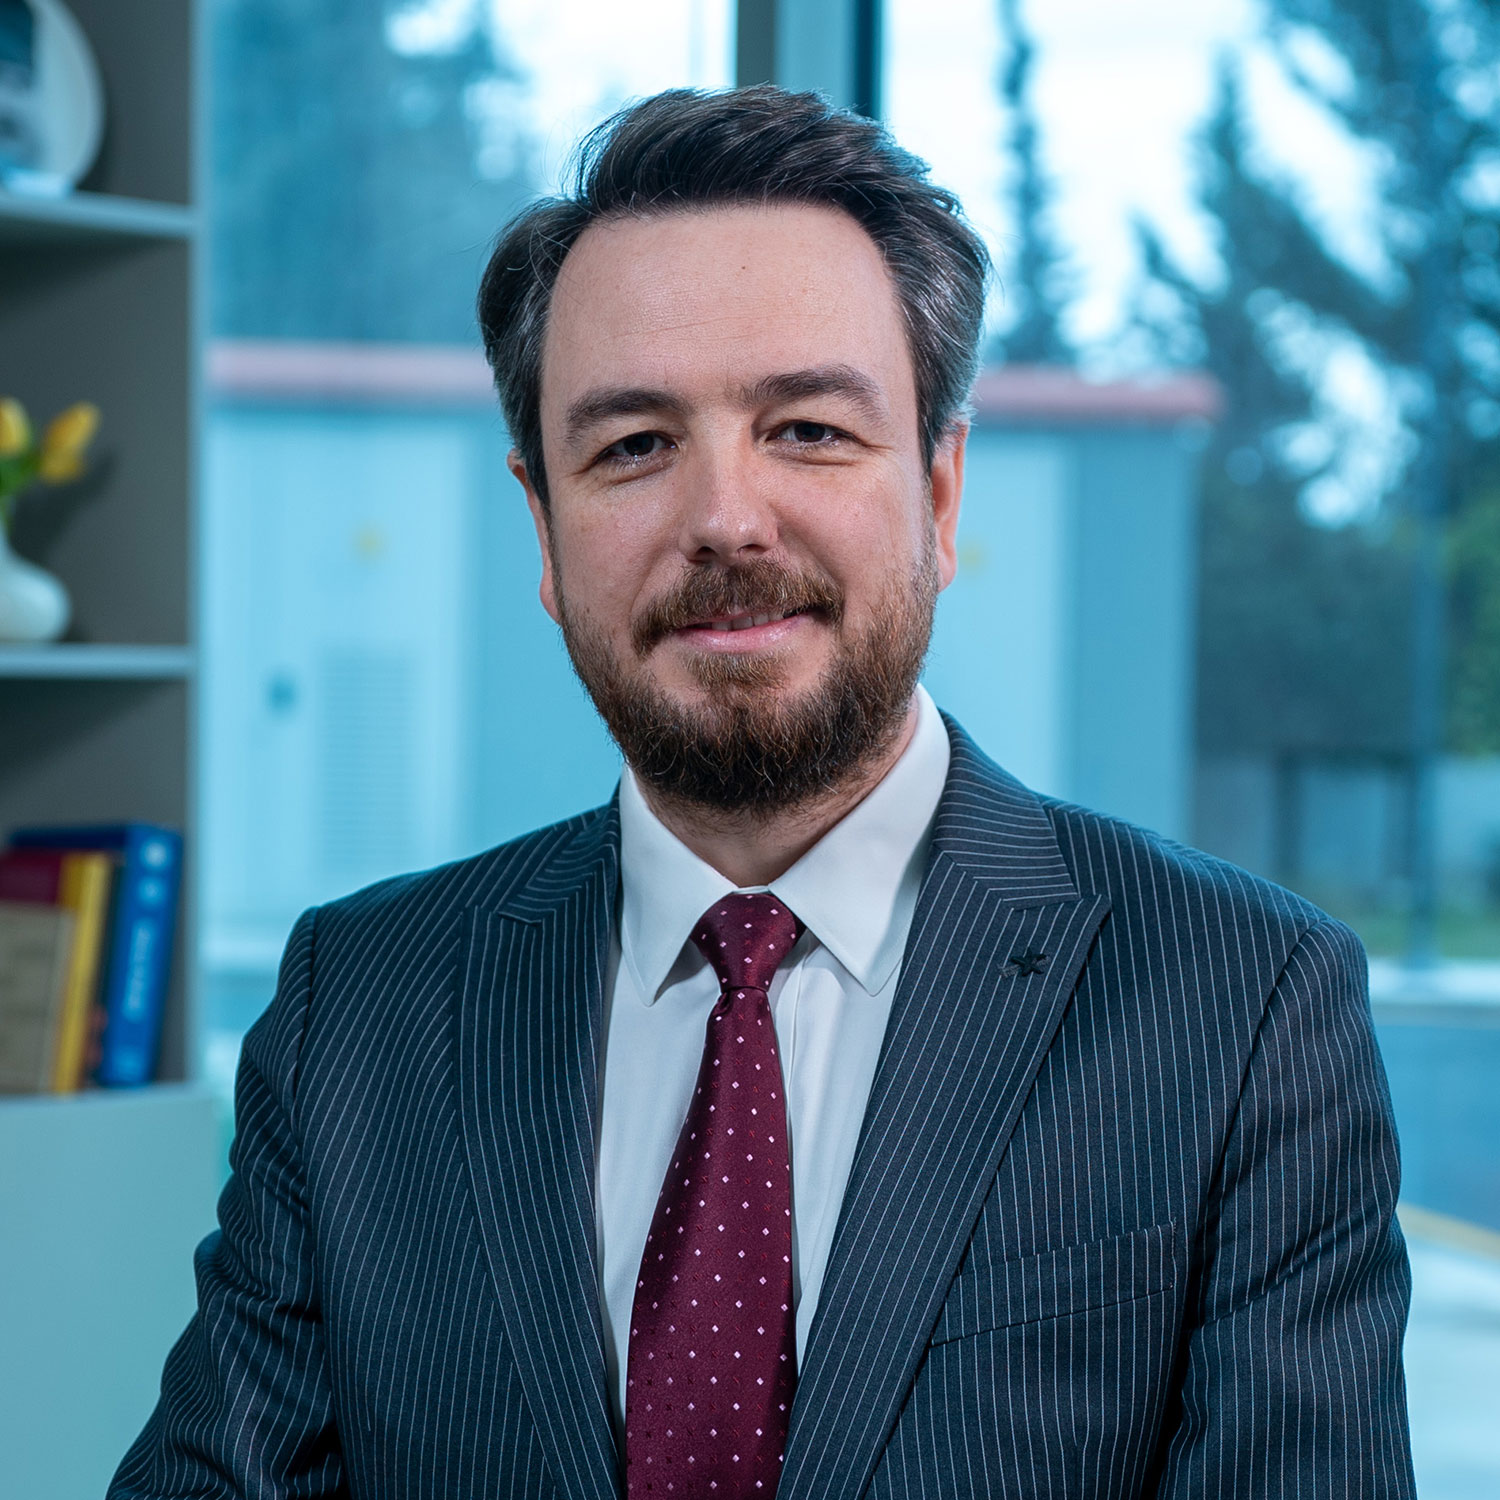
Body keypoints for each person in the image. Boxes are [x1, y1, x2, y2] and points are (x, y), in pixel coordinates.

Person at [110, 87, 1416, 1499]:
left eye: (807, 429)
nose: (727, 519)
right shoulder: (357, 1011)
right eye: (633, 446)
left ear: (940, 496)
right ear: (544, 530)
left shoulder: (1243, 1006)